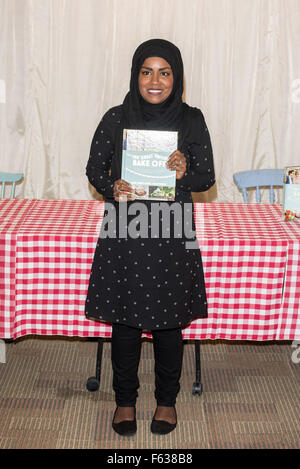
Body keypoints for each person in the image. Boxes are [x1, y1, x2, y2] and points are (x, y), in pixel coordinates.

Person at [85, 39, 215, 436]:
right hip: (126, 229)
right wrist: (114, 186)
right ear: (135, 75)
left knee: (168, 324)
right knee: (124, 323)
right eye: (146, 71)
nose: (155, 80)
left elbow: (205, 178)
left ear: (176, 77)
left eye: (164, 72)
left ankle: (166, 401)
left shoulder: (191, 120)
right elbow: (94, 169)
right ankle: (124, 401)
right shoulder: (115, 117)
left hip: (171, 232)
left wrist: (182, 172)